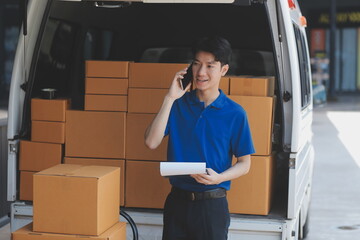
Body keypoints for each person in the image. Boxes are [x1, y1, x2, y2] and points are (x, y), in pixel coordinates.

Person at [145, 36, 255, 240]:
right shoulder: (177, 104)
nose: (201, 72)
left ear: (223, 70)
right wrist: (169, 98)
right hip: (177, 202)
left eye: (210, 66)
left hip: (212, 206)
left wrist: (220, 178)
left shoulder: (235, 113)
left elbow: (244, 163)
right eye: (196, 64)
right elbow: (151, 142)